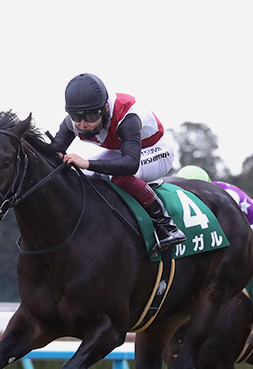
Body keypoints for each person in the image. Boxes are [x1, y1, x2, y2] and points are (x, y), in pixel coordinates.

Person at [47, 73, 185, 254]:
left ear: (105, 108)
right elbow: (53, 152)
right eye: (76, 116)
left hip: (157, 151)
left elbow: (130, 164)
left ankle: (167, 226)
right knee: (82, 176)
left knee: (117, 176)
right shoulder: (74, 121)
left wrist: (87, 162)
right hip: (124, 151)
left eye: (91, 116)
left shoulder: (127, 116)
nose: (83, 124)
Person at [176, 165, 253, 315]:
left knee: (235, 251)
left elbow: (232, 227)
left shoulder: (223, 195)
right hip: (234, 223)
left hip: (252, 225)